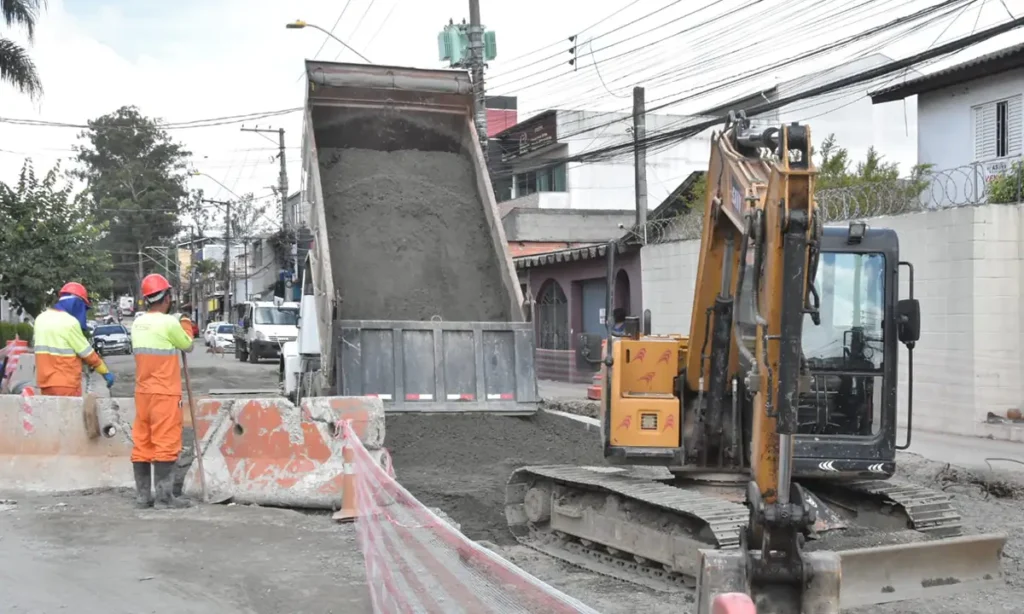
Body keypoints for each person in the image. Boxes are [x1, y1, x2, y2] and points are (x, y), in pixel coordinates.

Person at [130, 273, 195, 510]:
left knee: (143, 442)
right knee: (166, 441)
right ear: (167, 297)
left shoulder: (137, 323)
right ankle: (165, 498)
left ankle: (143, 497)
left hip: (142, 393)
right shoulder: (169, 323)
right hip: (165, 394)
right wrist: (185, 321)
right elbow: (188, 344)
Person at [34, 282, 115, 396]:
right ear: (77, 304)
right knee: (70, 414)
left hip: (44, 383)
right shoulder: (69, 323)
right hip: (66, 383)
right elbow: (87, 353)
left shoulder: (40, 319)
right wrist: (105, 371)